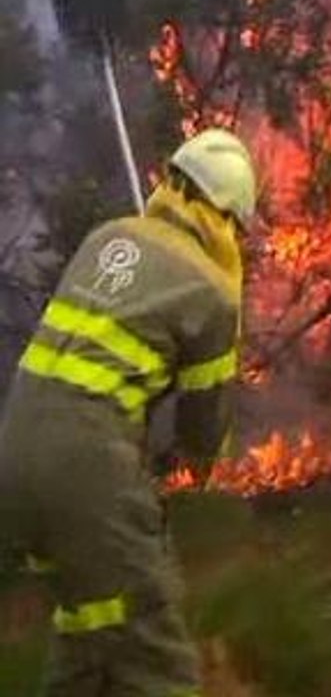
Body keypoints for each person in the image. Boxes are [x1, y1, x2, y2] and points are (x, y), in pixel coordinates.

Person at [0, 128, 255, 696]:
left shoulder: (107, 235)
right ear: (229, 219)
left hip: (13, 460)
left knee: (90, 635)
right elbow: (202, 427)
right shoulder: (214, 291)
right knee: (157, 657)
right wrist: (194, 464)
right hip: (87, 474)